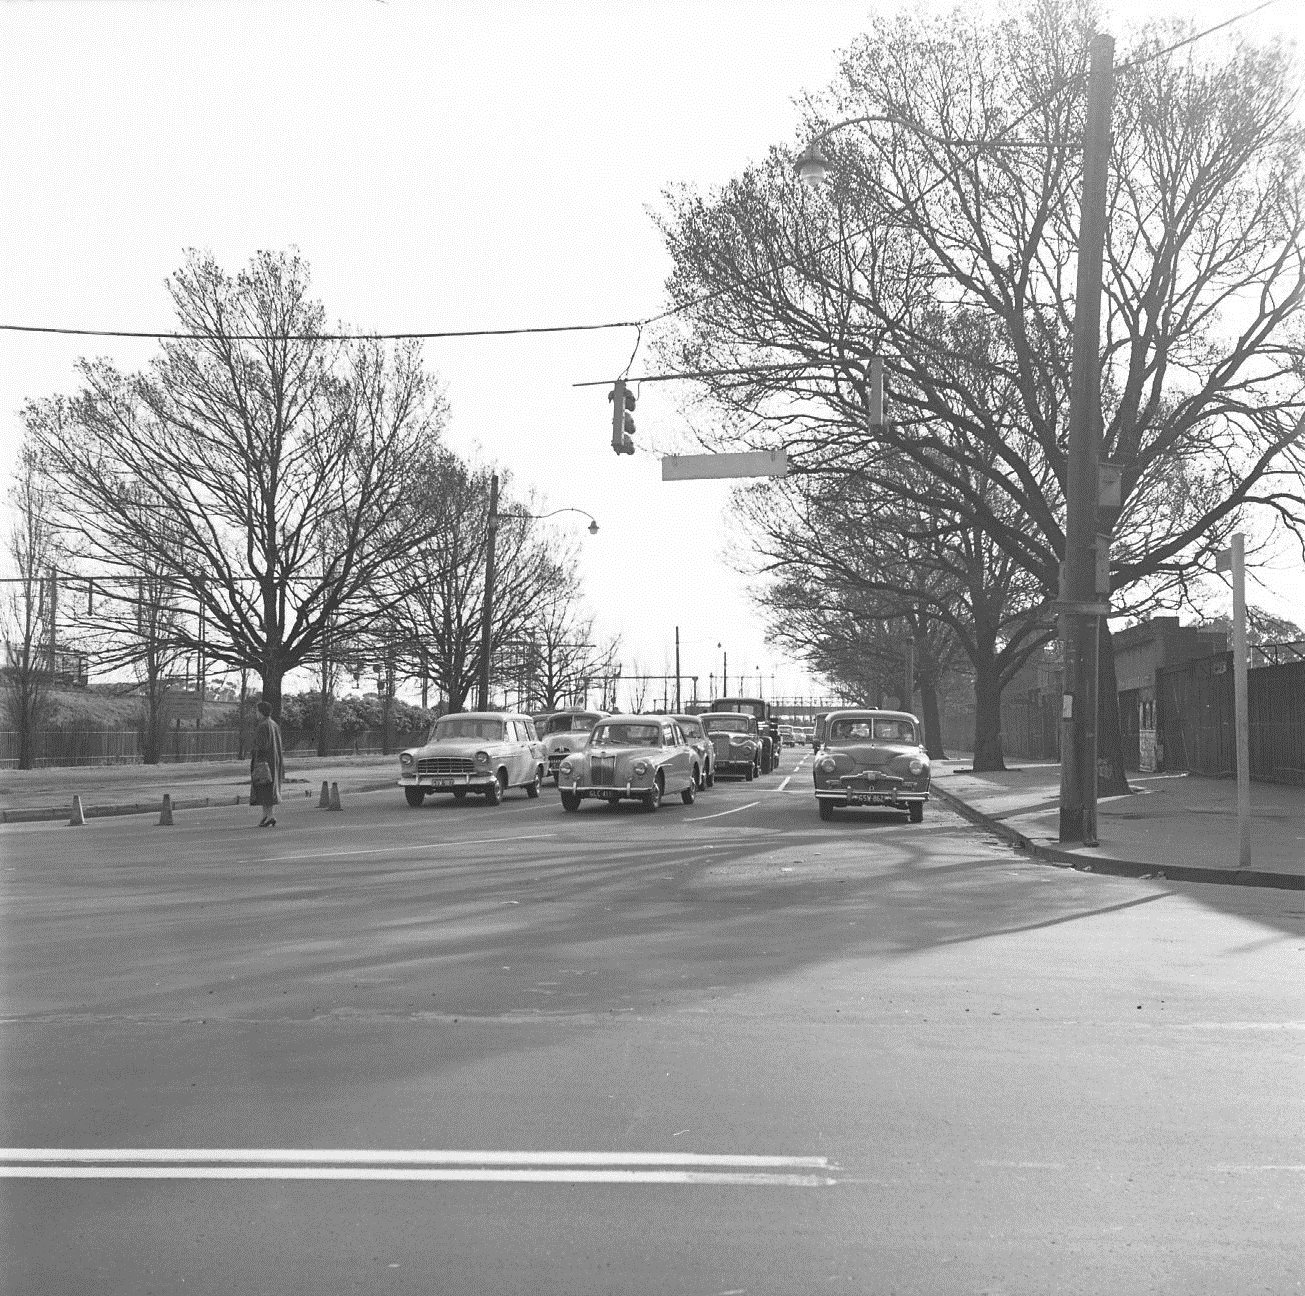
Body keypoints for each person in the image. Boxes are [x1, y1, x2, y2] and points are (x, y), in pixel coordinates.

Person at [250, 700, 284, 828]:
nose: (256, 713)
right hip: (274, 761)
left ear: (261, 712)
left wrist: (255, 754)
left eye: (257, 711)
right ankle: (266, 815)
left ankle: (269, 816)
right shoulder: (274, 725)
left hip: (263, 762)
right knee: (269, 788)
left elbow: (261, 745)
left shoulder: (262, 726)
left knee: (263, 787)